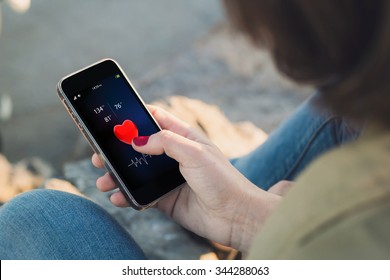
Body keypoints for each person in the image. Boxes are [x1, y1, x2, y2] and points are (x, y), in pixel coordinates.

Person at [0, 0, 389, 259]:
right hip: (269, 221)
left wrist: (286, 231)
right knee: (338, 108)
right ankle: (232, 186)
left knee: (35, 215)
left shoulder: (334, 234)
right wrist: (250, 217)